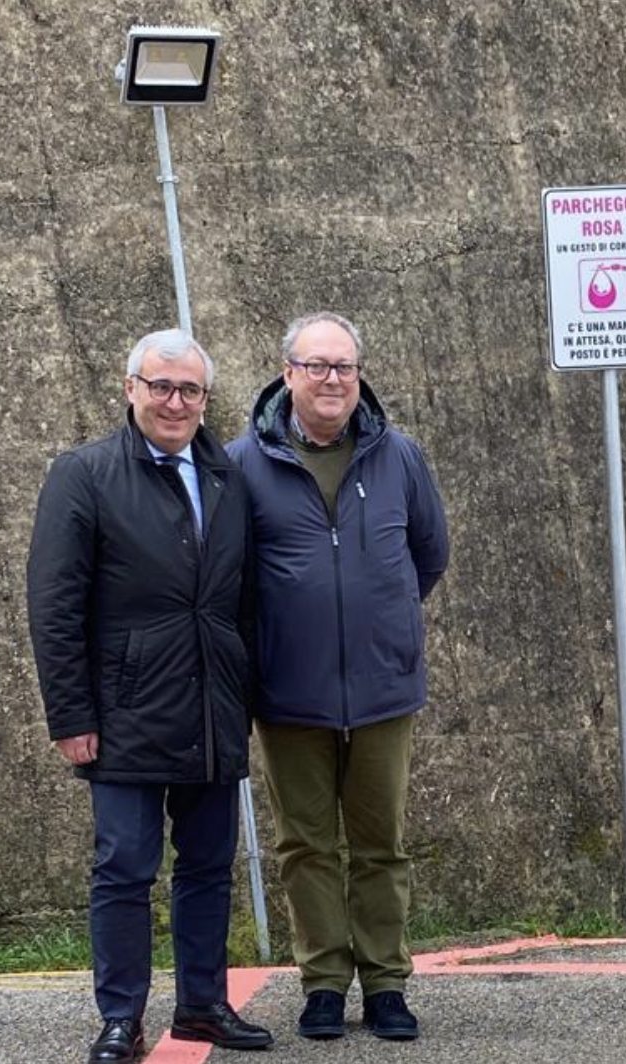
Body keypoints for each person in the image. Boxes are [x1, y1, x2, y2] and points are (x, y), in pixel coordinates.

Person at [25, 330, 273, 1064]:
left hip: (210, 710)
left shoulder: (226, 476)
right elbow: (54, 605)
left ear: (204, 399)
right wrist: (70, 716)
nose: (174, 401)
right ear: (130, 388)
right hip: (124, 715)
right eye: (160, 385)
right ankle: (119, 1019)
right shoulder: (85, 474)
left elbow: (245, 600)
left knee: (206, 866)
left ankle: (201, 1005)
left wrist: (243, 691)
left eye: (190, 390)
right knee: (124, 870)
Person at [228, 311, 449, 1042]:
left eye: (345, 367)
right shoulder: (242, 464)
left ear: (359, 376)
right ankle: (323, 981)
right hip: (289, 693)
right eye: (317, 366)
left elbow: (428, 555)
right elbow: (231, 577)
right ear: (287, 373)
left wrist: (376, 624)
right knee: (306, 845)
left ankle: (386, 983)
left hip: (384, 690)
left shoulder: (400, 457)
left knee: (381, 841)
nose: (332, 380)